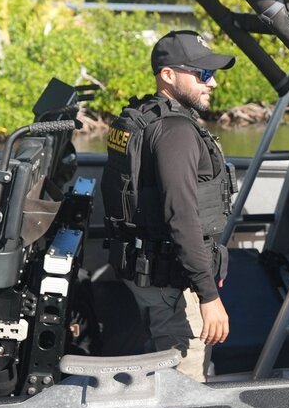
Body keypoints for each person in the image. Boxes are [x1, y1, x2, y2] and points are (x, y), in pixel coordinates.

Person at [101, 30, 236, 381]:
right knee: (185, 387)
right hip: (172, 289)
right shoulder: (176, 131)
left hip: (143, 276)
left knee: (160, 373)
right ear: (168, 75)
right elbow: (182, 217)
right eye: (203, 74)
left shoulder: (141, 118)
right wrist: (208, 296)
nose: (214, 83)